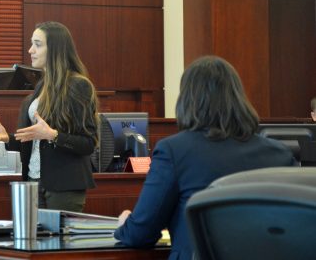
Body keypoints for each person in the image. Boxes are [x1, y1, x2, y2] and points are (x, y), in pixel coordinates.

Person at [113, 55, 295, 259]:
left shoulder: (174, 151)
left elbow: (140, 234)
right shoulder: (280, 154)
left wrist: (125, 224)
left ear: (187, 100)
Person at [0, 21, 99, 212]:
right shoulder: (41, 87)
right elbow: (33, 142)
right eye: (32, 44)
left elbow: (88, 143)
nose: (30, 50)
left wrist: (53, 135)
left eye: (38, 44)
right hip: (33, 182)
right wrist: (7, 138)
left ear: (56, 49)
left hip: (64, 185)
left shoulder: (78, 86)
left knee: (59, 241)